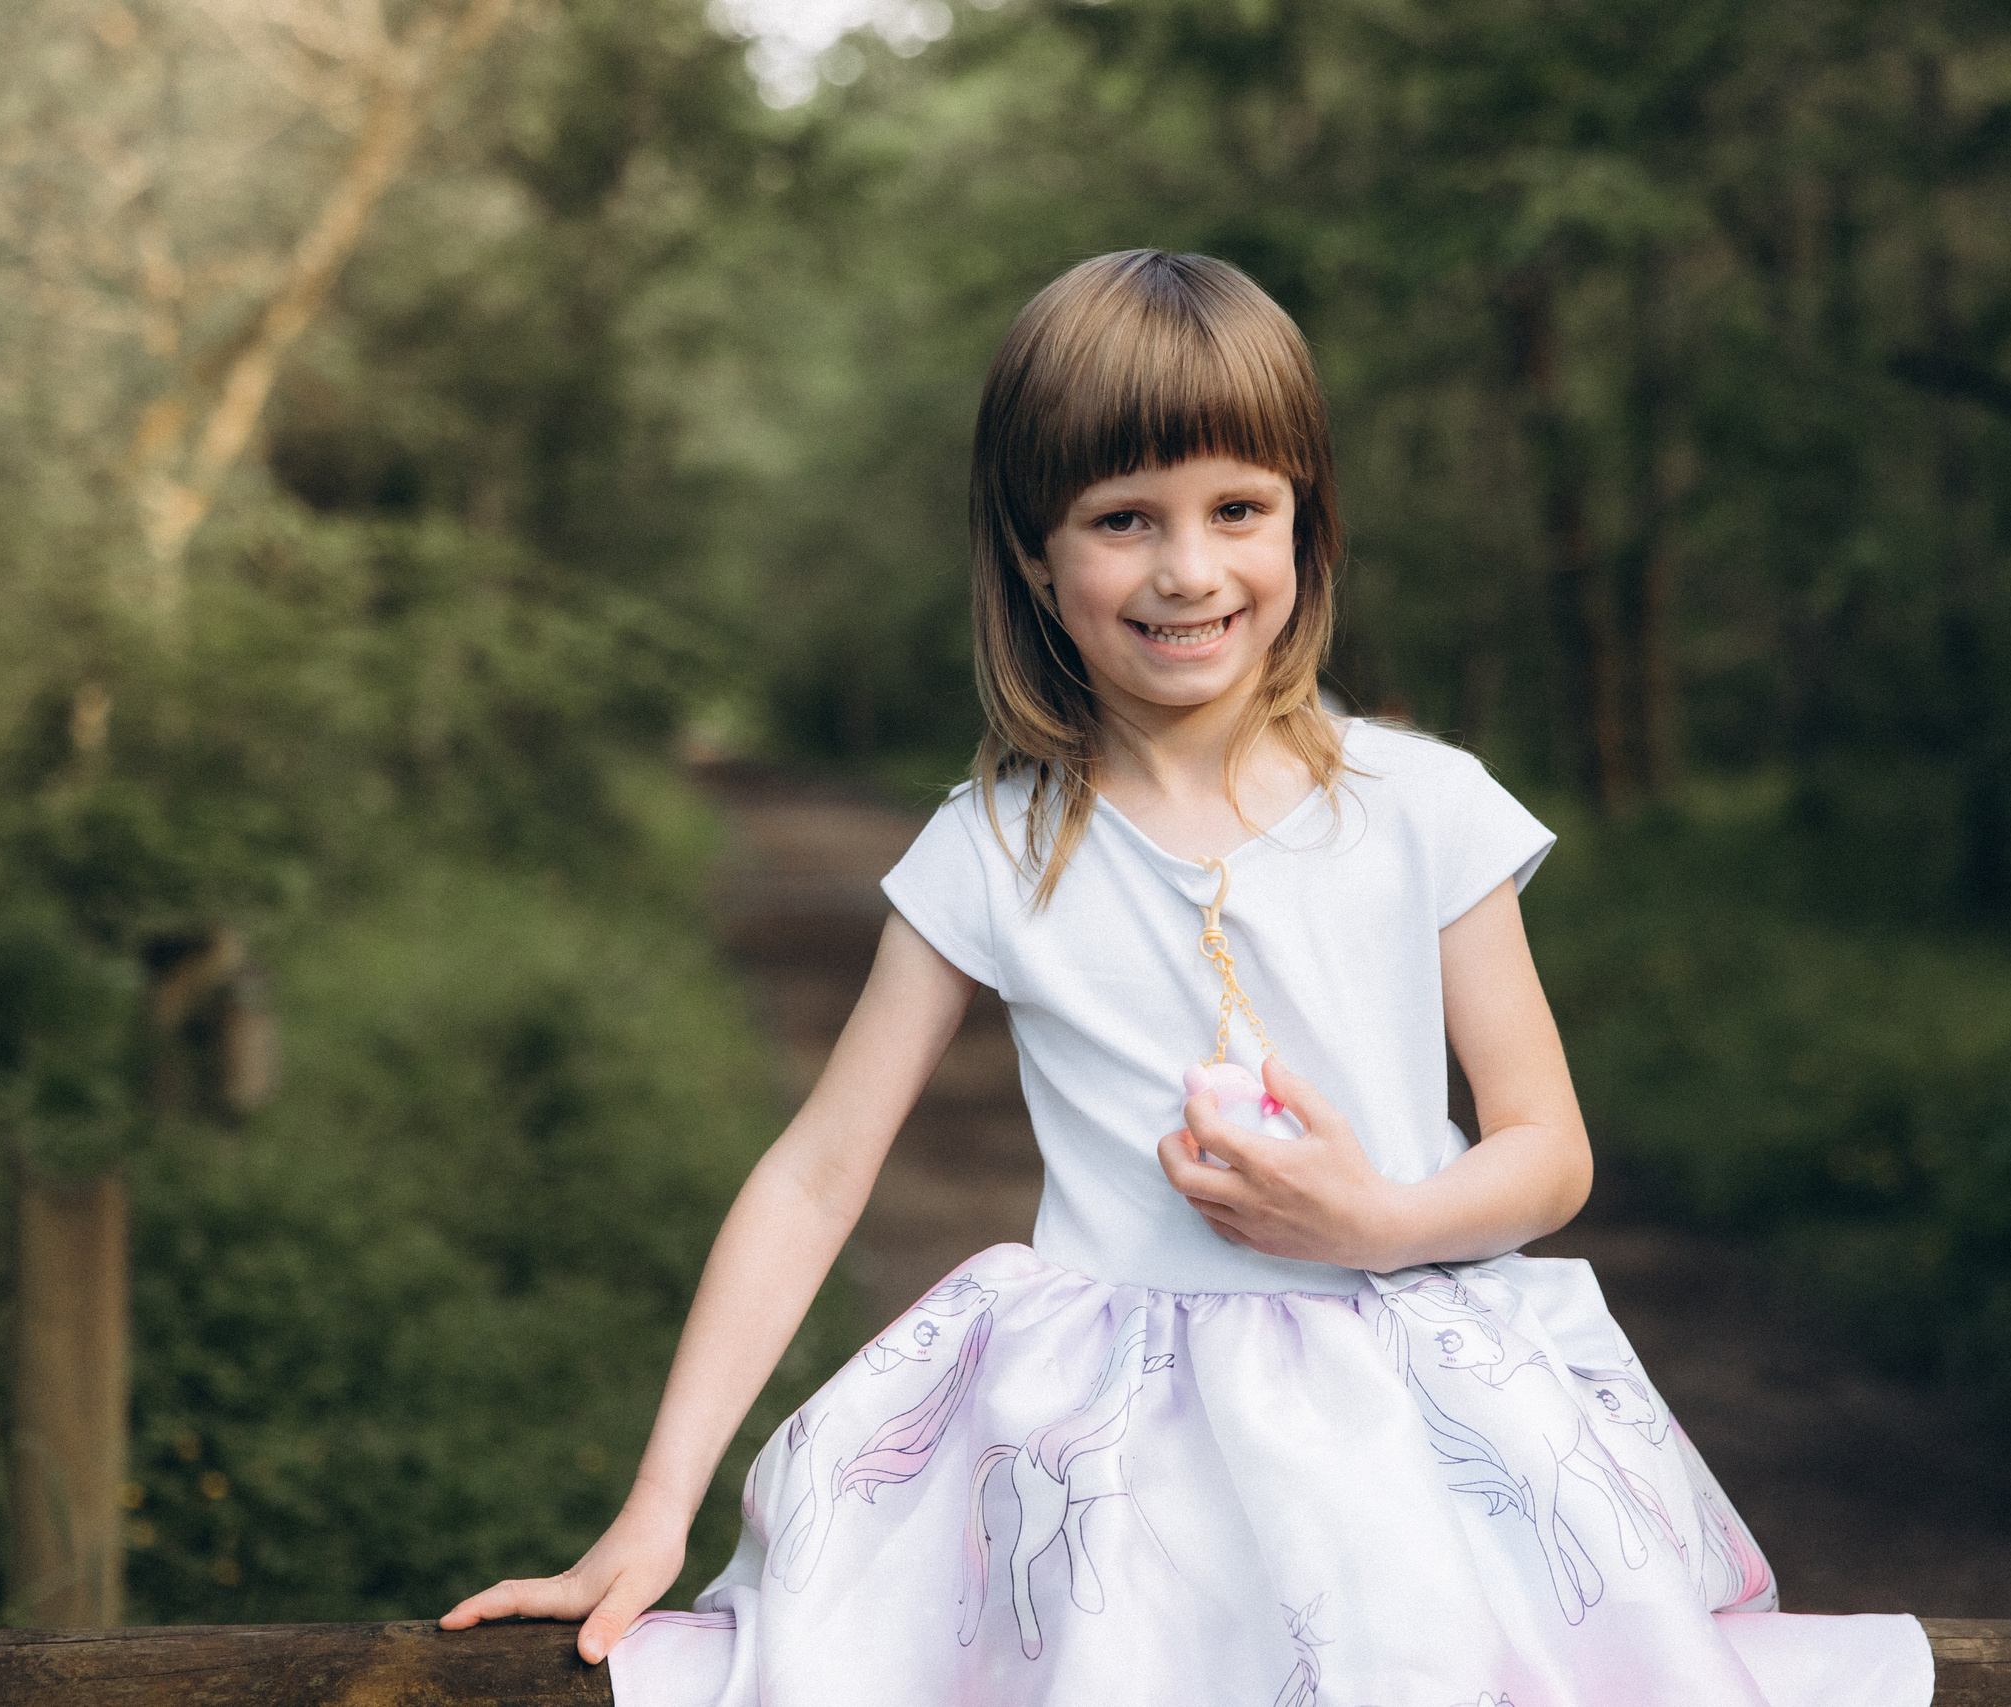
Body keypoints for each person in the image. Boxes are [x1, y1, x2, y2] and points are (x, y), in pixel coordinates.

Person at [444, 250, 1934, 1706]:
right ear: (1034, 550)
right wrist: (656, 1509)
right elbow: (818, 1176)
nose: (1189, 569)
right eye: (1121, 518)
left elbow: (1549, 1152)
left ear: (1307, 525)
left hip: (1410, 1422)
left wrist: (1384, 1221)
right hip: (1119, 1463)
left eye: (1239, 509)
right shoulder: (994, 846)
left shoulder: (1423, 807)